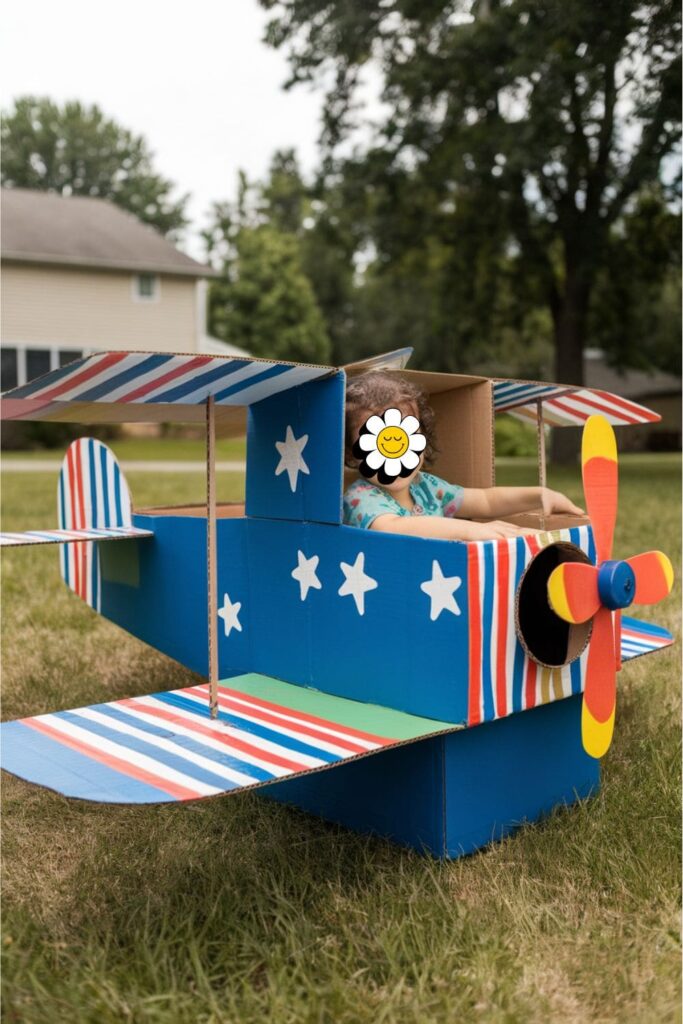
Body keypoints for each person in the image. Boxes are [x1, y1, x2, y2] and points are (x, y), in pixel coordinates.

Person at [343, 371, 583, 541]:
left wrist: (539, 495)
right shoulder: (361, 497)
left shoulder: (427, 488)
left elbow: (485, 501)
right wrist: (468, 530)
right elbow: (392, 527)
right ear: (353, 454)